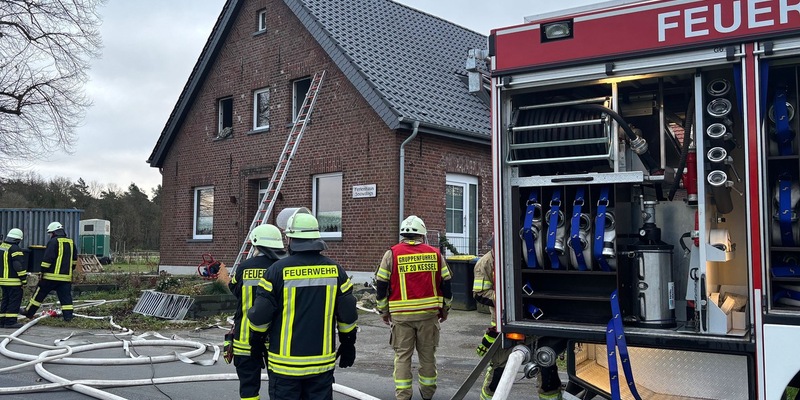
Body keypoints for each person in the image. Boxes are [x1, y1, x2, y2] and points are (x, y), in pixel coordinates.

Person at [247, 209, 357, 400]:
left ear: (290, 239)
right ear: (316, 238)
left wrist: (255, 342)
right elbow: (347, 315)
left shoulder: (276, 271)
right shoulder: (336, 271)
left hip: (284, 367)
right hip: (321, 366)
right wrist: (348, 343)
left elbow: (260, 317)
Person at [473, 235, 561, 400]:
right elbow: (479, 294)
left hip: (535, 322)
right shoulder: (485, 263)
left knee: (547, 366)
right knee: (499, 371)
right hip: (503, 326)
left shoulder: (524, 257)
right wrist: (509, 298)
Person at [375, 215, 453, 400]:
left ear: (402, 234)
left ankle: (403, 396)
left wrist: (383, 311)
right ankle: (427, 394)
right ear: (423, 235)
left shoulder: (392, 254)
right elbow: (447, 284)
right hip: (428, 316)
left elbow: (381, 284)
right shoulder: (435, 254)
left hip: (401, 317)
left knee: (402, 357)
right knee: (427, 357)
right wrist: (445, 309)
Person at [228, 224, 286, 400]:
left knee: (248, 389)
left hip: (245, 340)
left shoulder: (244, 267)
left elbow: (234, 289)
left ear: (255, 244)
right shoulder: (283, 268)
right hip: (277, 342)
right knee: (279, 387)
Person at [23, 222, 77, 321]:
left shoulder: (53, 242)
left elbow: (48, 259)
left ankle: (29, 313)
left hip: (50, 277)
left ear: (54, 232)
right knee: (66, 299)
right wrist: (69, 271)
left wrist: (42, 271)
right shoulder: (71, 242)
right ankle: (68, 317)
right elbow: (74, 260)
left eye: (50, 233)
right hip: (65, 278)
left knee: (39, 294)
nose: (50, 235)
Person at [0, 229, 27, 329]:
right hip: (13, 281)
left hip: (2, 280)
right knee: (14, 301)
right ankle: (10, 322)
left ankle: (2, 321)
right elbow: (18, 265)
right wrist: (23, 279)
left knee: (5, 300)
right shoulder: (15, 249)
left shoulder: (2, 247)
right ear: (18, 239)